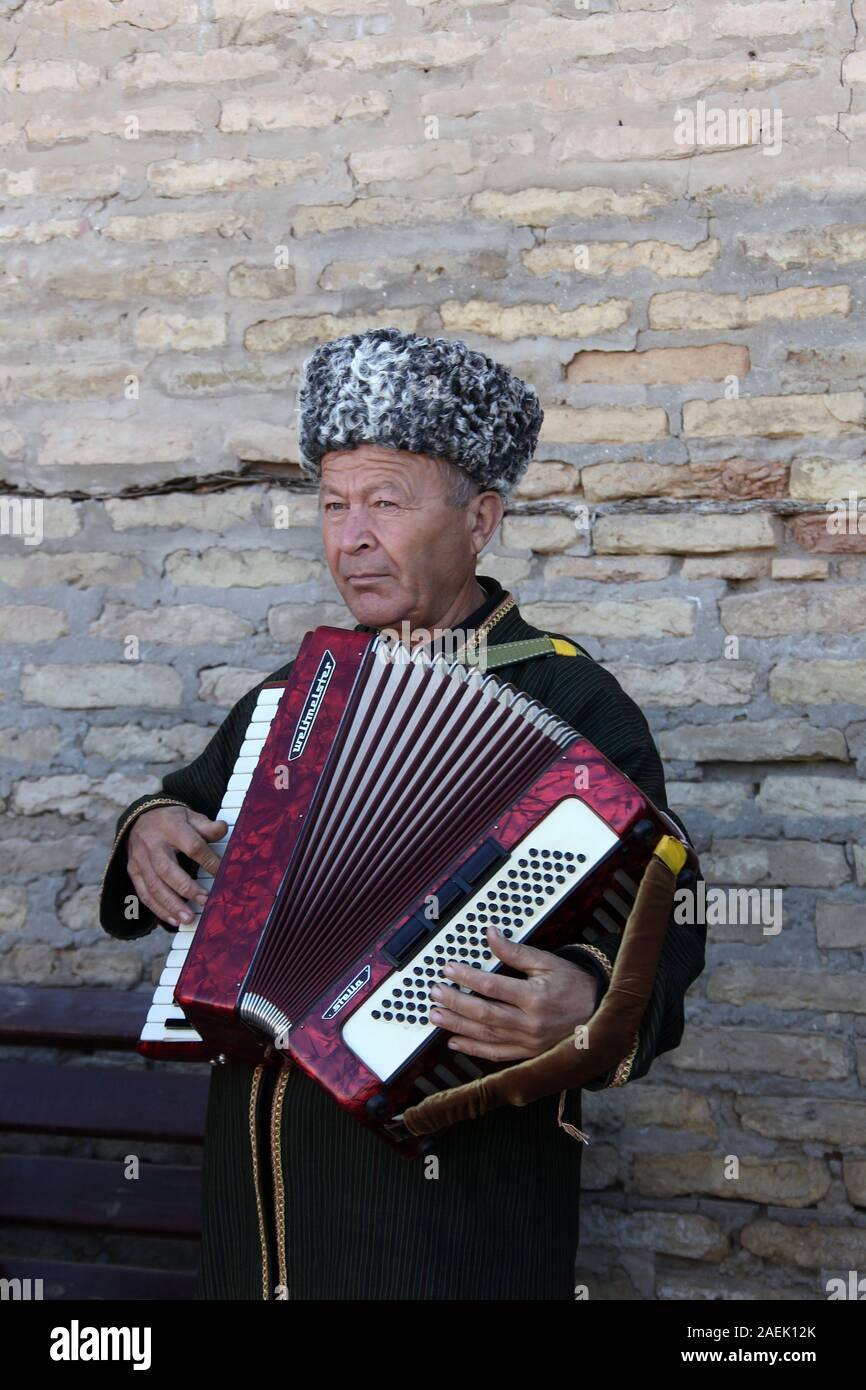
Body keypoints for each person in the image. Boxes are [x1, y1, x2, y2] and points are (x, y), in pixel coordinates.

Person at [98, 327, 706, 1300]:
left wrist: (588, 999)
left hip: (444, 1234)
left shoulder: (574, 705)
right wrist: (149, 827)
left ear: (481, 519)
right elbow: (185, 801)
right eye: (333, 504)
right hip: (255, 1220)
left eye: (385, 500)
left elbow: (666, 921)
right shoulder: (285, 702)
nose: (351, 535)